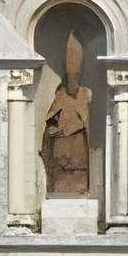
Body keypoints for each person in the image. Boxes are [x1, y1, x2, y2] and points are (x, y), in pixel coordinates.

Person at [41, 33, 93, 195]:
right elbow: (50, 124)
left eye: (75, 76)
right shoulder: (60, 94)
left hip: (79, 156)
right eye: (70, 75)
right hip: (61, 156)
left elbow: (88, 122)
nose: (72, 79)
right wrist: (58, 130)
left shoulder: (86, 93)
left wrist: (78, 124)